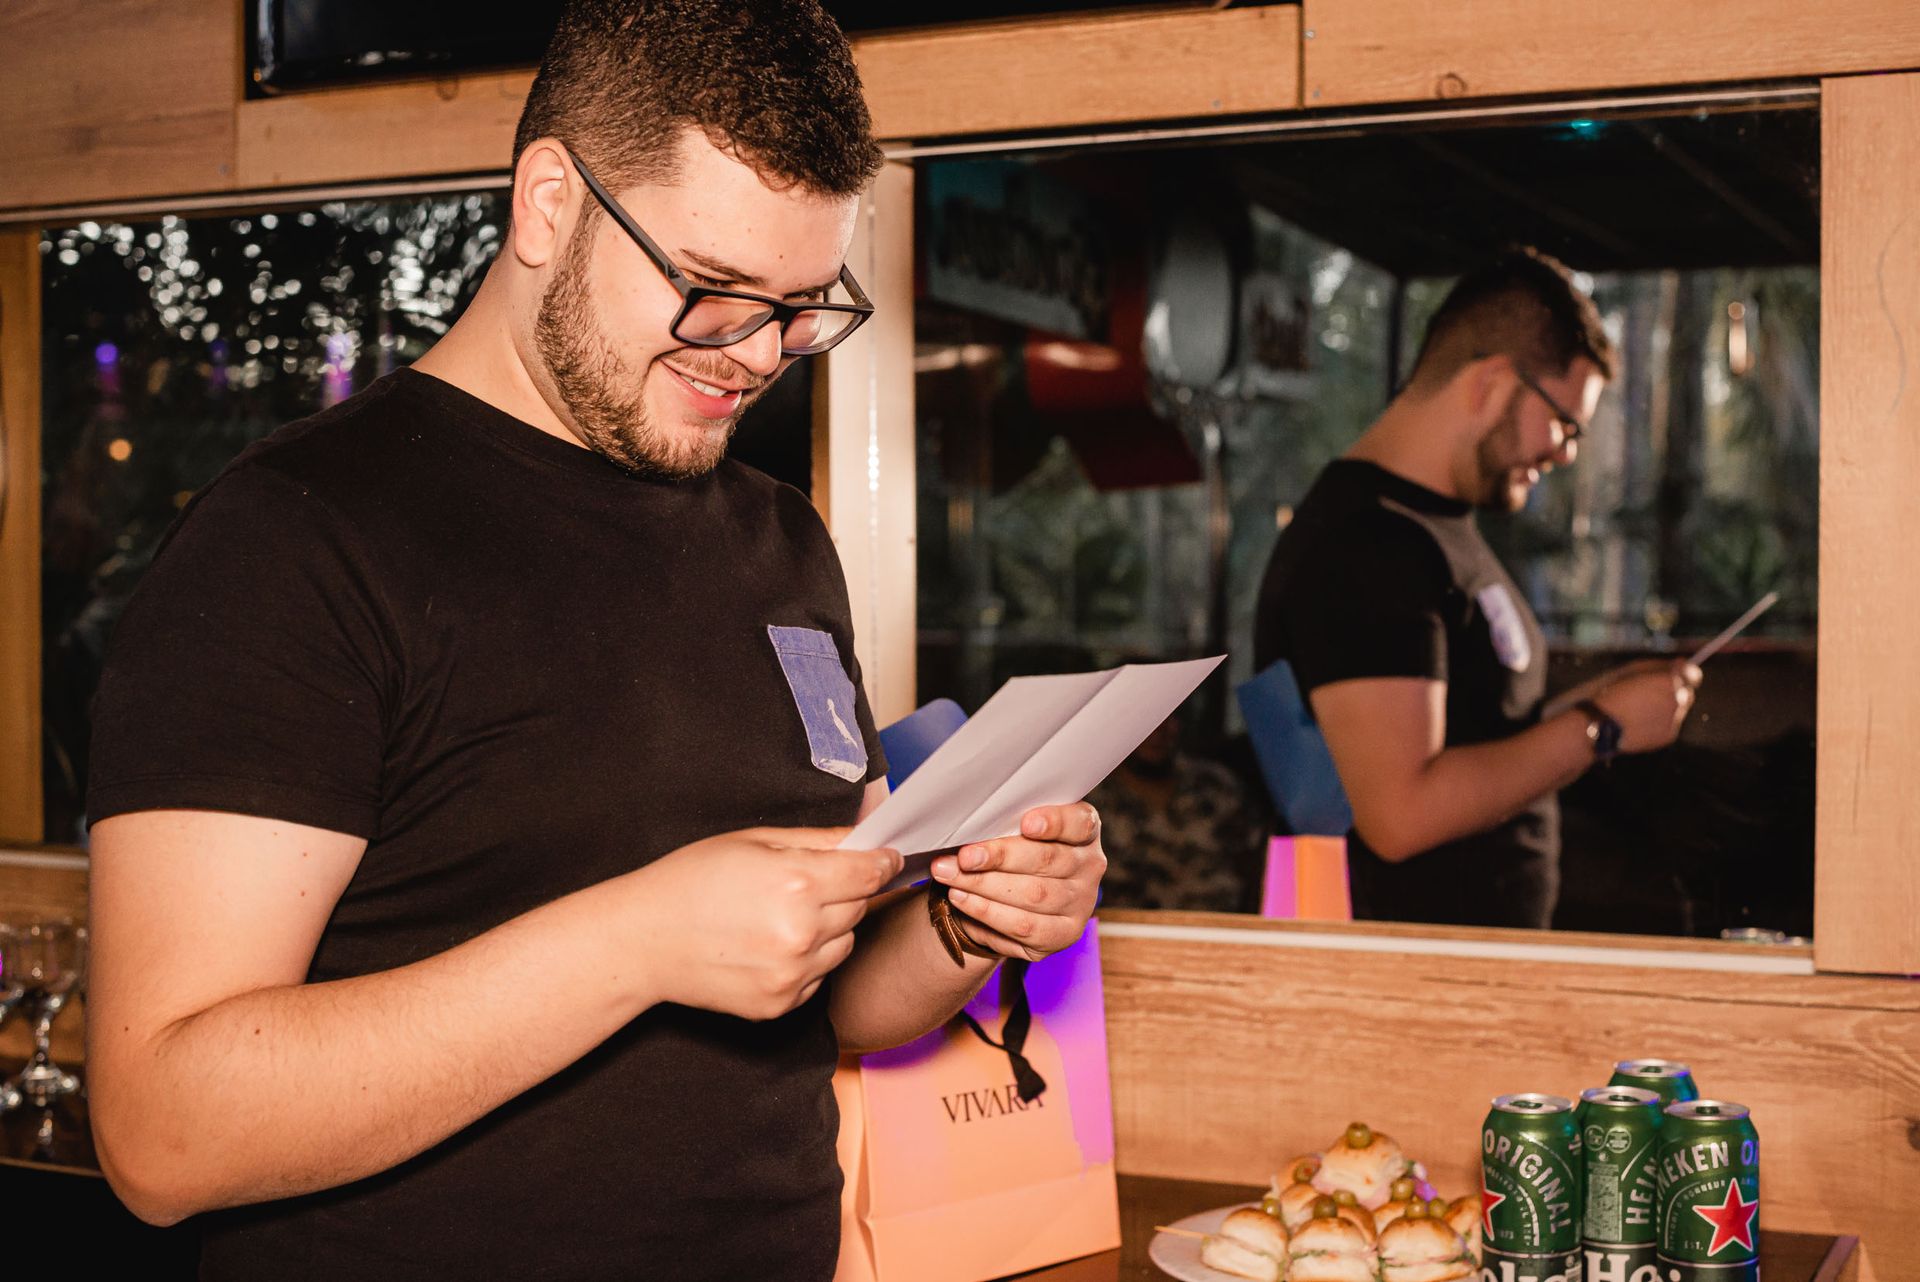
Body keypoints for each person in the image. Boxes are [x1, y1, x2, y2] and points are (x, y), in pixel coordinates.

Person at [82, 5, 1106, 1278]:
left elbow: (832, 999)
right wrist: (635, 943)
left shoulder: (782, 541)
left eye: (800, 306)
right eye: (714, 289)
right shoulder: (292, 541)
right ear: (549, 203)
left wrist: (970, 924)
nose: (759, 355)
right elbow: (163, 1134)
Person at [1252, 248, 1699, 929]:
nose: (1566, 453)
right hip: (1407, 981)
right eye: (1564, 422)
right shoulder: (1366, 543)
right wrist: (1598, 729)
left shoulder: (1432, 526)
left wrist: (1606, 704)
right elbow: (1400, 817)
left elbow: (1480, 732)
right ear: (1491, 382)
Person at [1086, 712, 1265, 912]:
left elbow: (1256, 865)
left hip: (1216, 929)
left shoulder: (1216, 785)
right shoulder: (1091, 796)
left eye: (1167, 720)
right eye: (1147, 723)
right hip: (1123, 932)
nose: (1157, 733)